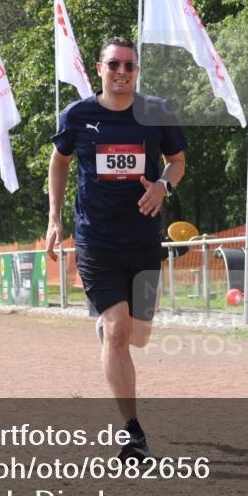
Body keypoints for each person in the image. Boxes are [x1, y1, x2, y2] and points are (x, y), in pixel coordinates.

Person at [46, 36, 187, 461]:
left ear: (136, 70)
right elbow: (59, 161)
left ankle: (112, 333)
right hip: (97, 240)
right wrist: (54, 218)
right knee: (118, 327)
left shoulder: (157, 113)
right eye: (114, 65)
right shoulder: (77, 116)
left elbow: (177, 161)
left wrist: (163, 185)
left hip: (144, 239)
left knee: (138, 336)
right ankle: (132, 433)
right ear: (99, 68)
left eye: (129, 66)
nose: (122, 72)